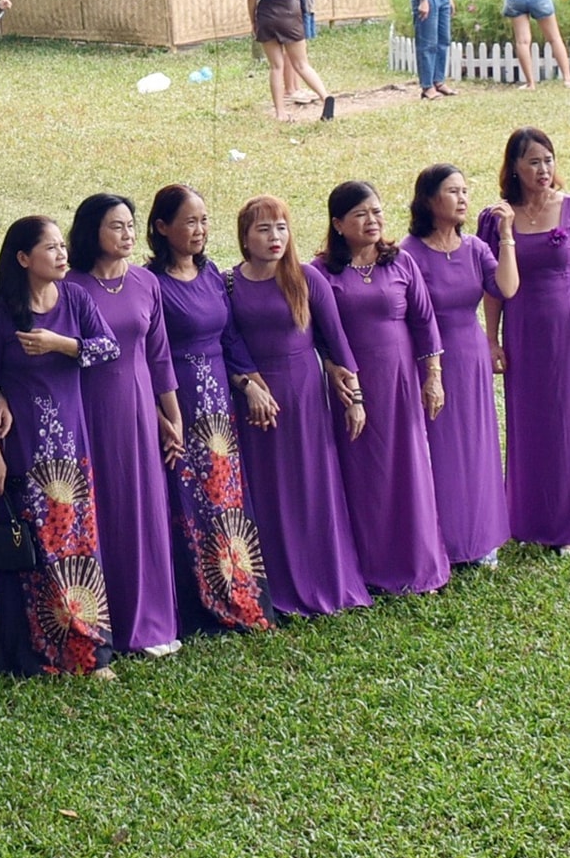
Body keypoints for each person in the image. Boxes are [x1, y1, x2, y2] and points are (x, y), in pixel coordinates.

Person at [0, 216, 120, 678]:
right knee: (37, 548)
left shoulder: (75, 298)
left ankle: (88, 651)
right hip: (25, 449)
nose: (61, 255)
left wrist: (62, 344)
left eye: (62, 246)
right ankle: (38, 654)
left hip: (71, 446)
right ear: (23, 258)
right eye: (50, 248)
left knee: (78, 545)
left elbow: (108, 347)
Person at [228, 195, 371, 618]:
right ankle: (277, 587)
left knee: (312, 486)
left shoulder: (307, 278)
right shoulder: (228, 283)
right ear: (244, 237)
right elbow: (228, 343)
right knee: (268, 490)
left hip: (305, 394)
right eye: (263, 229)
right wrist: (249, 384)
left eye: (281, 228)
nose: (275, 238)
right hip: (256, 399)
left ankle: (326, 579)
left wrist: (355, 399)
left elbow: (337, 343)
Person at [147, 185, 276, 637]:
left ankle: (237, 591)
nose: (199, 230)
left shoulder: (212, 276)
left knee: (224, 498)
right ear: (162, 228)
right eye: (189, 222)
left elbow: (231, 339)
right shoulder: (151, 284)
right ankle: (193, 603)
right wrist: (160, 414)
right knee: (185, 500)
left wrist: (251, 383)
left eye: (204, 220)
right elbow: (149, 353)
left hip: (219, 402)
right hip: (178, 400)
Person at [315, 181, 450, 595]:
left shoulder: (401, 263)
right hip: (353, 387)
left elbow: (424, 323)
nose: (372, 221)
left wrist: (433, 377)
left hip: (400, 382)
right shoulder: (321, 272)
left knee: (409, 470)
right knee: (364, 473)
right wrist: (337, 371)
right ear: (338, 224)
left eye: (376, 212)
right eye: (360, 215)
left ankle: (418, 564)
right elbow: (317, 331)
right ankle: (372, 567)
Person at [477, 129, 570, 555]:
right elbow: (493, 286)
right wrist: (492, 340)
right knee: (529, 422)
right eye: (533, 162)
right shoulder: (496, 217)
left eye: (549, 160)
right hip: (523, 330)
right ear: (513, 167)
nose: (543, 170)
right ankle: (529, 517)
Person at [64, 193, 184, 658]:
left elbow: (159, 355)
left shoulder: (144, 283)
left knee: (144, 509)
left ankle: (150, 620)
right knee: (103, 508)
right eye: (117, 226)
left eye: (131, 225)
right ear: (93, 232)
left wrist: (170, 415)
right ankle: (101, 620)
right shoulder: (71, 287)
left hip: (139, 406)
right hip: (90, 408)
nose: (128, 234)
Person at [400, 165, 519, 569]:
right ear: (430, 200)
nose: (464, 198)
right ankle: (444, 539)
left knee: (478, 445)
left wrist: (505, 237)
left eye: (466, 190)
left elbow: (506, 288)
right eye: (453, 191)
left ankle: (481, 535)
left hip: (471, 356)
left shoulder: (475, 249)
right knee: (441, 449)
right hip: (430, 359)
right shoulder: (409, 253)